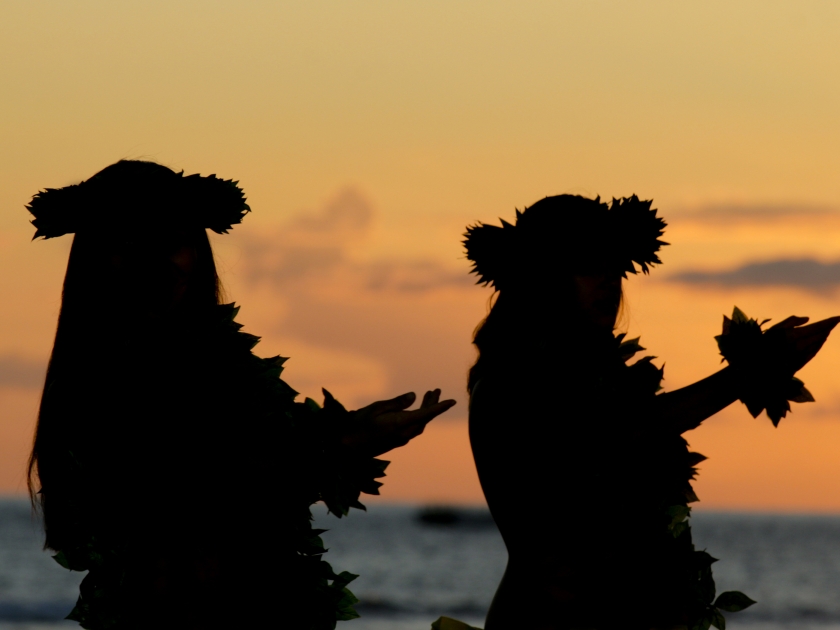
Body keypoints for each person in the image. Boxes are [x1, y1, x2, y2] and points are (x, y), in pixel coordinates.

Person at [26, 159, 456, 630]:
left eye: (173, 242)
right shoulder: (112, 374)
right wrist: (346, 443)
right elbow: (206, 494)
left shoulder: (209, 364)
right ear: (95, 258)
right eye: (130, 245)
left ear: (198, 252)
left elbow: (256, 462)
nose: (157, 264)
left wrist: (352, 430)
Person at [464, 194, 838, 630]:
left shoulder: (602, 384)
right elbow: (619, 433)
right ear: (542, 281)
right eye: (588, 265)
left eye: (615, 266)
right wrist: (751, 372)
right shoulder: (510, 381)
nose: (608, 279)